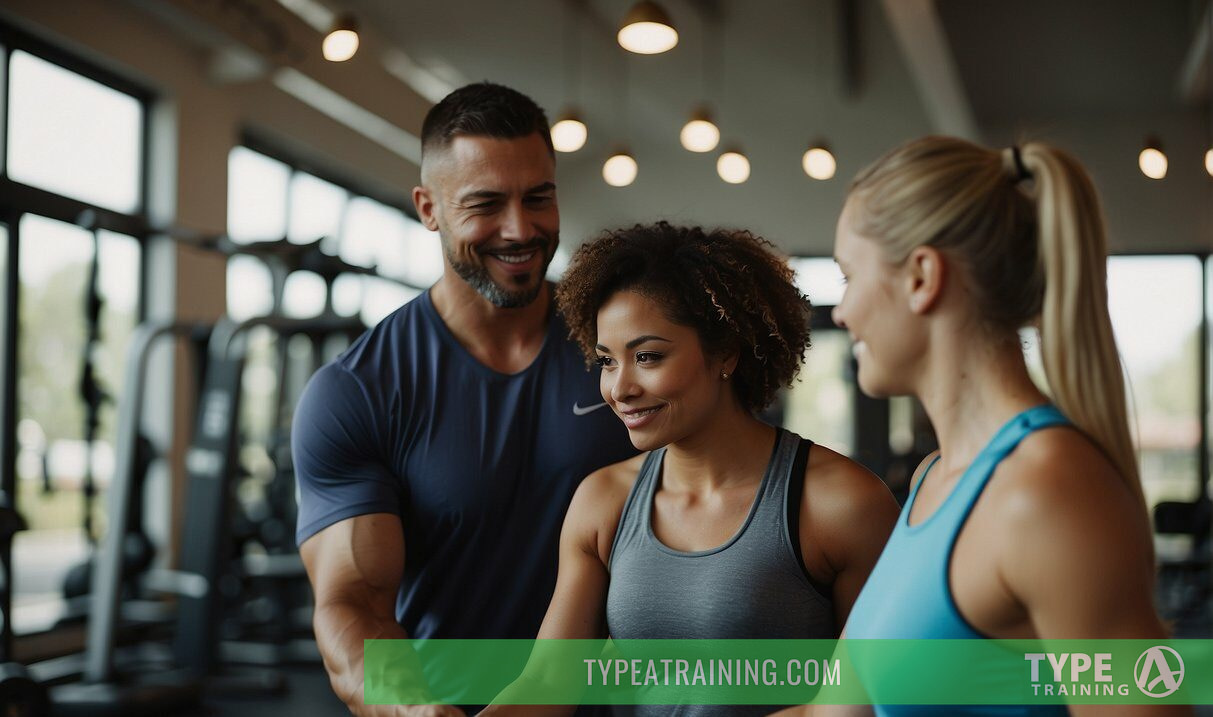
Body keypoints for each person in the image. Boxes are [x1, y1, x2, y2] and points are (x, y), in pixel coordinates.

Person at [777, 136, 1185, 717]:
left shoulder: (1045, 492)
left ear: (921, 277)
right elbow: (838, 711)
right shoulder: (932, 481)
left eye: (848, 277)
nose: (841, 313)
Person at [292, 82, 637, 716]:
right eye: (486, 204)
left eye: (539, 199)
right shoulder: (359, 391)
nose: (520, 229)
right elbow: (353, 601)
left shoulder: (620, 343)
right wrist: (407, 708)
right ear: (428, 208)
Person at [481, 222, 901, 717]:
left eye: (648, 356)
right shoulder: (604, 500)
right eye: (608, 362)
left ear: (725, 352)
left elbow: (866, 700)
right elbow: (549, 681)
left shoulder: (841, 504)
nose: (620, 388)